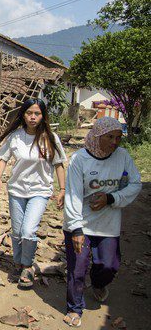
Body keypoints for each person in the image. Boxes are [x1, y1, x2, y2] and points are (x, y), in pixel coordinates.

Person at [62, 117, 142, 327]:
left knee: (109, 266)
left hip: (108, 224)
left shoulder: (122, 157)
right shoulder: (79, 159)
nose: (115, 142)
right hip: (81, 223)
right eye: (110, 137)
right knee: (77, 268)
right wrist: (76, 228)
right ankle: (74, 308)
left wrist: (111, 199)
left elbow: (135, 183)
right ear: (97, 136)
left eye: (118, 137)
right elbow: (73, 195)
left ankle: (98, 283)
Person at [0, 98, 66, 288]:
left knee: (28, 230)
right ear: (23, 114)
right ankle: (17, 263)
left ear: (43, 116)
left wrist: (62, 189)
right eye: (29, 113)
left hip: (40, 190)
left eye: (37, 114)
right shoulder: (15, 136)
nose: (33, 117)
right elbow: (3, 158)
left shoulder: (50, 138)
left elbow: (59, 164)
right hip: (16, 189)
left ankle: (27, 266)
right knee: (16, 231)